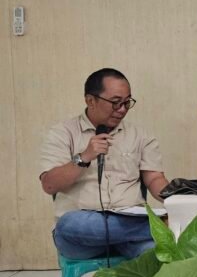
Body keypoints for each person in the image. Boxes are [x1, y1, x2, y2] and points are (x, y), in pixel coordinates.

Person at [39, 68, 170, 260]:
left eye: (127, 102)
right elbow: (49, 185)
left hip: (130, 228)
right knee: (68, 224)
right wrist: (84, 157)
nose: (122, 109)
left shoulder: (141, 136)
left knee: (156, 255)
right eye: (116, 102)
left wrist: (179, 200)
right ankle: (160, 225)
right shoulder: (62, 133)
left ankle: (151, 228)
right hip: (82, 236)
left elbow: (155, 179)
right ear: (90, 100)